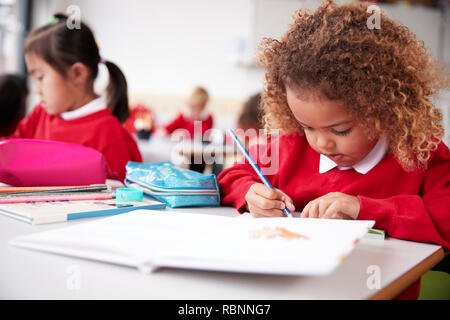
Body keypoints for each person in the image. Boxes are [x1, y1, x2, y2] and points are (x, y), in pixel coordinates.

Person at [218, 0, 449, 299]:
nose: (321, 143)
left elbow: (444, 218)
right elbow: (232, 176)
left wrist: (362, 209)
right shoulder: (291, 145)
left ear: (384, 110)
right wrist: (249, 194)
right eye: (307, 126)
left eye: (341, 130)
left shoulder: (420, 154)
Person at [5, 14, 142, 181]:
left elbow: (120, 198)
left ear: (77, 73)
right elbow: (9, 153)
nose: (36, 89)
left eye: (40, 77)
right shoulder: (40, 114)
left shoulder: (110, 136)